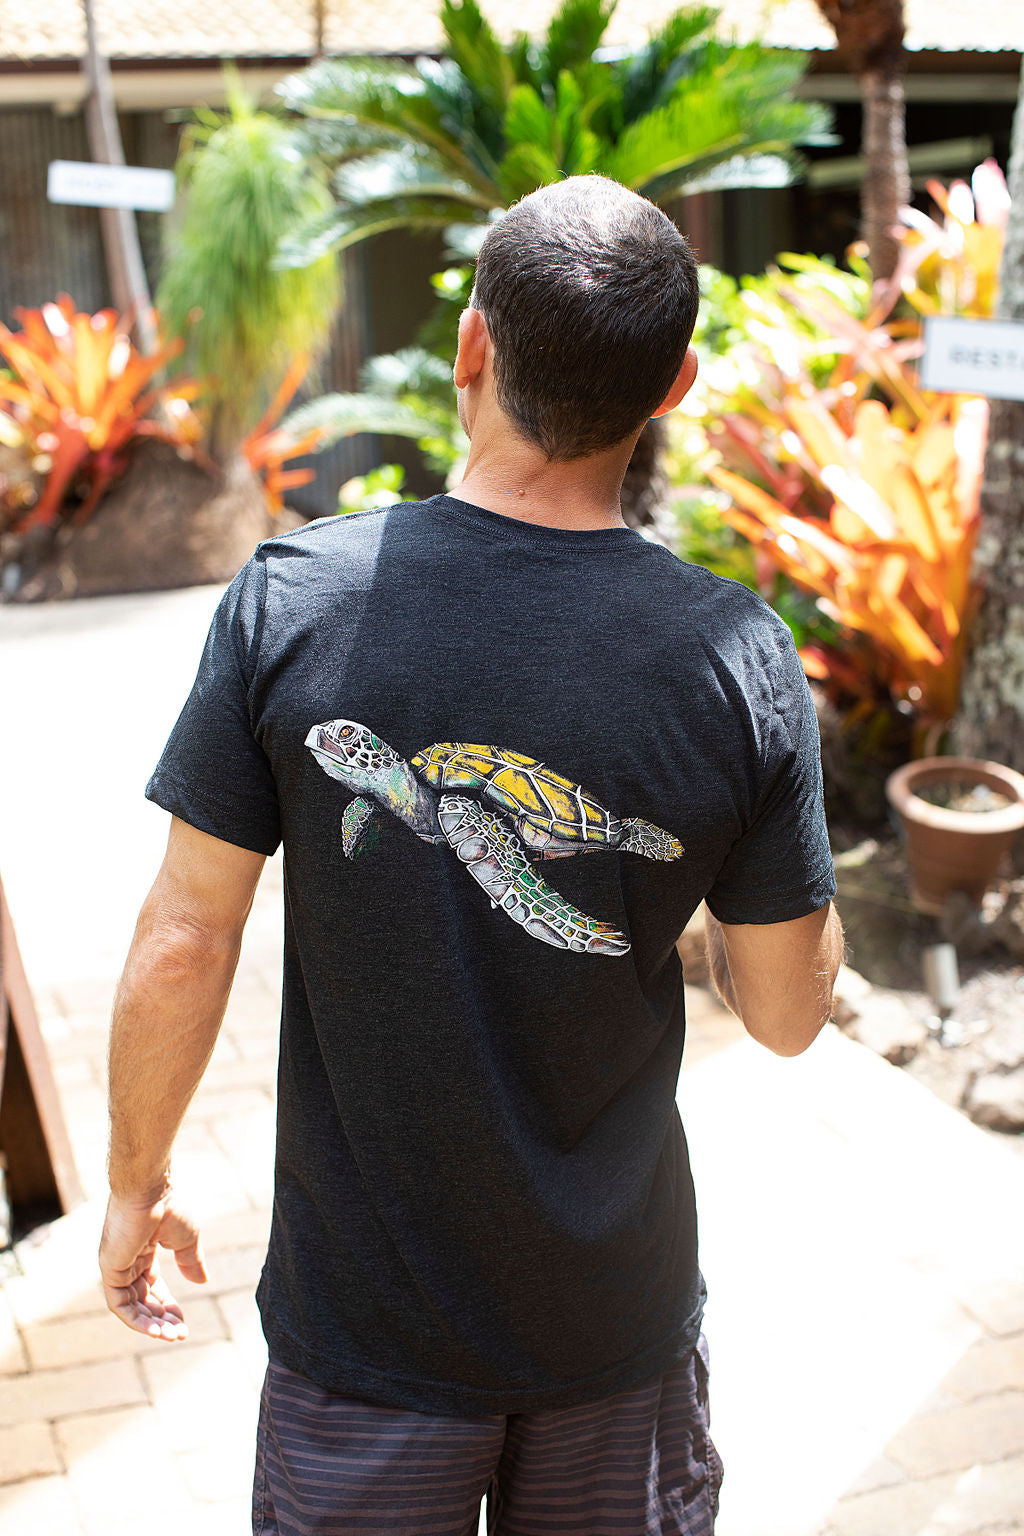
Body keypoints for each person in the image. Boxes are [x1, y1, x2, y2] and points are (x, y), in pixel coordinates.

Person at [100, 174, 843, 1535]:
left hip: (369, 1335)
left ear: (470, 350)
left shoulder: (294, 604)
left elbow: (184, 935)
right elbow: (789, 1013)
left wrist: (135, 1182)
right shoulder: (736, 657)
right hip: (613, 1325)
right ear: (673, 387)